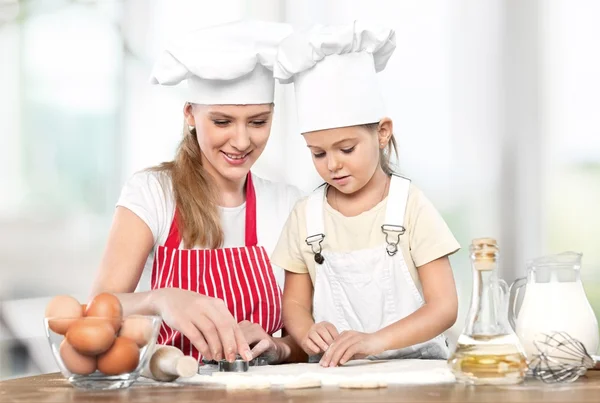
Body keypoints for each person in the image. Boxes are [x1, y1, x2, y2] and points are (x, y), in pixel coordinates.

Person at [90, 20, 305, 365]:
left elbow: (306, 338)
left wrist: (278, 347)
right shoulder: (153, 193)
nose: (241, 141)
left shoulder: (287, 204)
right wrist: (161, 299)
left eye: (258, 122)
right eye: (222, 122)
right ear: (190, 113)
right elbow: (96, 312)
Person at [271, 21, 460, 367]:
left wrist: (374, 341)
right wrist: (306, 331)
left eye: (346, 149)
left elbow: (444, 307)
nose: (333, 165)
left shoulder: (410, 206)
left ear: (382, 132)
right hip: (335, 378)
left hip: (419, 376)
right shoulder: (305, 215)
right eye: (319, 153)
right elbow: (295, 304)